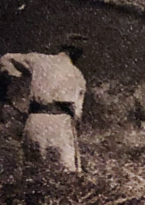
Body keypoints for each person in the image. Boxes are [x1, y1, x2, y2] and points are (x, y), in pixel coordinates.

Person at [0, 34, 88, 172]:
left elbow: (5, 59)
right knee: (67, 174)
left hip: (35, 122)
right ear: (78, 54)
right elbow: (77, 117)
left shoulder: (38, 60)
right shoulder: (78, 76)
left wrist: (3, 90)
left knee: (31, 171)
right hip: (61, 125)